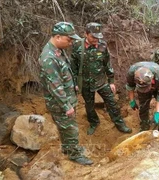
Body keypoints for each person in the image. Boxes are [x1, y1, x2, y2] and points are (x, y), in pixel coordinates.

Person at [38, 22, 93, 165]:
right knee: (70, 128)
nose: (71, 43)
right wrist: (66, 105)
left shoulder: (58, 50)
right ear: (57, 37)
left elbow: (65, 71)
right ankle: (74, 154)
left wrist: (73, 85)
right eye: (69, 39)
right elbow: (54, 86)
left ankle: (69, 148)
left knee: (67, 127)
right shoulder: (49, 58)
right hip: (60, 103)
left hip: (67, 98)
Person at [71, 22, 132, 135]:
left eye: (98, 37)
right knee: (89, 106)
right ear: (86, 34)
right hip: (85, 84)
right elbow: (73, 67)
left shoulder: (102, 45)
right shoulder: (77, 46)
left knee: (112, 103)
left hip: (101, 81)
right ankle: (94, 123)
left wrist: (111, 81)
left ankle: (120, 123)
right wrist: (75, 83)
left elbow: (107, 65)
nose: (96, 40)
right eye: (93, 37)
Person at [126, 61, 159, 133]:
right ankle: (144, 126)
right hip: (145, 87)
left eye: (145, 88)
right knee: (143, 106)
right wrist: (132, 100)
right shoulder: (132, 72)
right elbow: (130, 86)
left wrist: (158, 112)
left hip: (157, 87)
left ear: (152, 80)